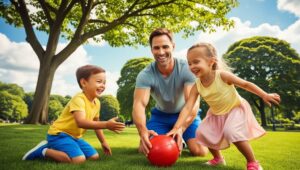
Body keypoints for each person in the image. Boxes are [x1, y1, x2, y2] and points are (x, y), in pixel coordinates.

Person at [167, 42, 281, 170]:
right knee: (202, 132)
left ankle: (253, 163)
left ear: (211, 61)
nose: (192, 66)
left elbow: (246, 84)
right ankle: (218, 159)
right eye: (189, 63)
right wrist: (177, 127)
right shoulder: (197, 85)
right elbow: (188, 107)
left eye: (196, 62)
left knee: (231, 131)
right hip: (216, 114)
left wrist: (264, 95)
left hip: (235, 109)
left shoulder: (222, 76)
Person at [22, 65, 125, 164]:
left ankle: (55, 147)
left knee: (94, 157)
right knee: (79, 160)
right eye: (99, 82)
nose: (103, 85)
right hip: (59, 135)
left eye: (104, 82)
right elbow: (81, 122)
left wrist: (103, 142)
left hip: (75, 137)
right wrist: (107, 124)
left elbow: (96, 123)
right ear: (84, 82)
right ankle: (43, 150)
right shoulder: (79, 99)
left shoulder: (97, 102)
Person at [132, 28, 208, 157]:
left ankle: (179, 138)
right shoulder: (145, 75)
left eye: (165, 47)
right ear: (151, 50)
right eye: (156, 48)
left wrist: (180, 128)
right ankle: (175, 140)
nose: (161, 52)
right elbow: (139, 105)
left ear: (173, 46)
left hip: (185, 114)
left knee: (199, 151)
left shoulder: (187, 69)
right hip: (161, 116)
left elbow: (192, 104)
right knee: (147, 149)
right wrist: (142, 130)